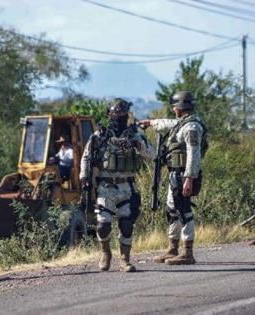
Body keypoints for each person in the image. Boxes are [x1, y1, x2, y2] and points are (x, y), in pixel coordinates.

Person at [80, 98, 155, 272]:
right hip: (105, 186)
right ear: (109, 114)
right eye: (116, 114)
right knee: (103, 225)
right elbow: (86, 156)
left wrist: (140, 146)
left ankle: (124, 259)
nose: (119, 117)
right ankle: (105, 253)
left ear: (127, 115)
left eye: (123, 114)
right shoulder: (100, 136)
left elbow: (153, 154)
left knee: (126, 225)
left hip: (127, 187)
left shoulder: (135, 135)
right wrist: (84, 177)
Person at [139, 90, 207, 265]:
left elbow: (194, 154)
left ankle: (188, 253)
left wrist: (189, 178)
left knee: (184, 210)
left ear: (179, 108)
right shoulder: (183, 123)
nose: (173, 110)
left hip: (184, 174)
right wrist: (150, 123)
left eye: (174, 107)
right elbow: (169, 123)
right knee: (172, 209)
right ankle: (172, 248)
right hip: (175, 173)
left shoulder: (192, 128)